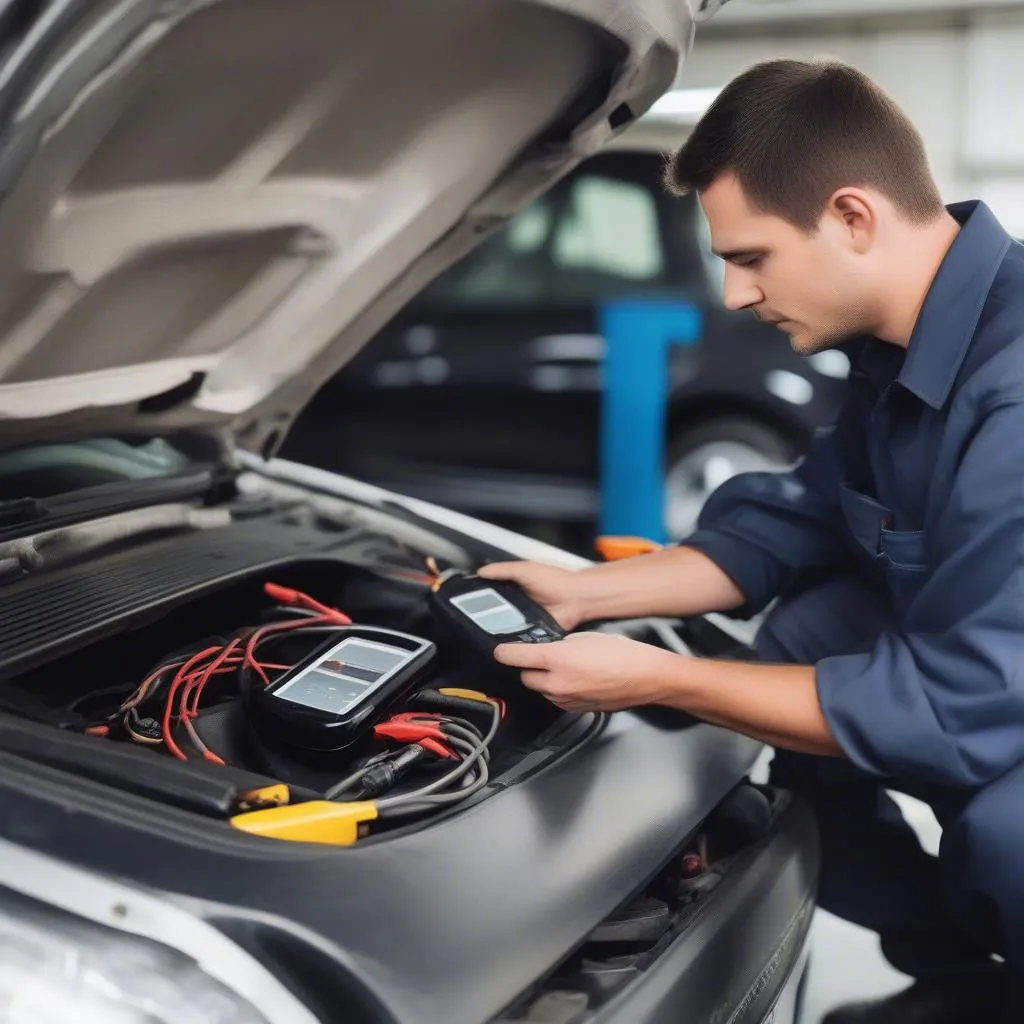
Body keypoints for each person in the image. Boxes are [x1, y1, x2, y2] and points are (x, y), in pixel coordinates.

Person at [479, 59, 1024, 1024]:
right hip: (986, 677)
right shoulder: (903, 347)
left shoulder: (1014, 390)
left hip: (990, 698)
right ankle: (965, 981)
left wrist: (660, 681)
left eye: (752, 257)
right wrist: (583, 595)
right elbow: (803, 513)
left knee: (1008, 832)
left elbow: (962, 704)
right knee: (811, 636)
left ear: (853, 218)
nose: (733, 294)